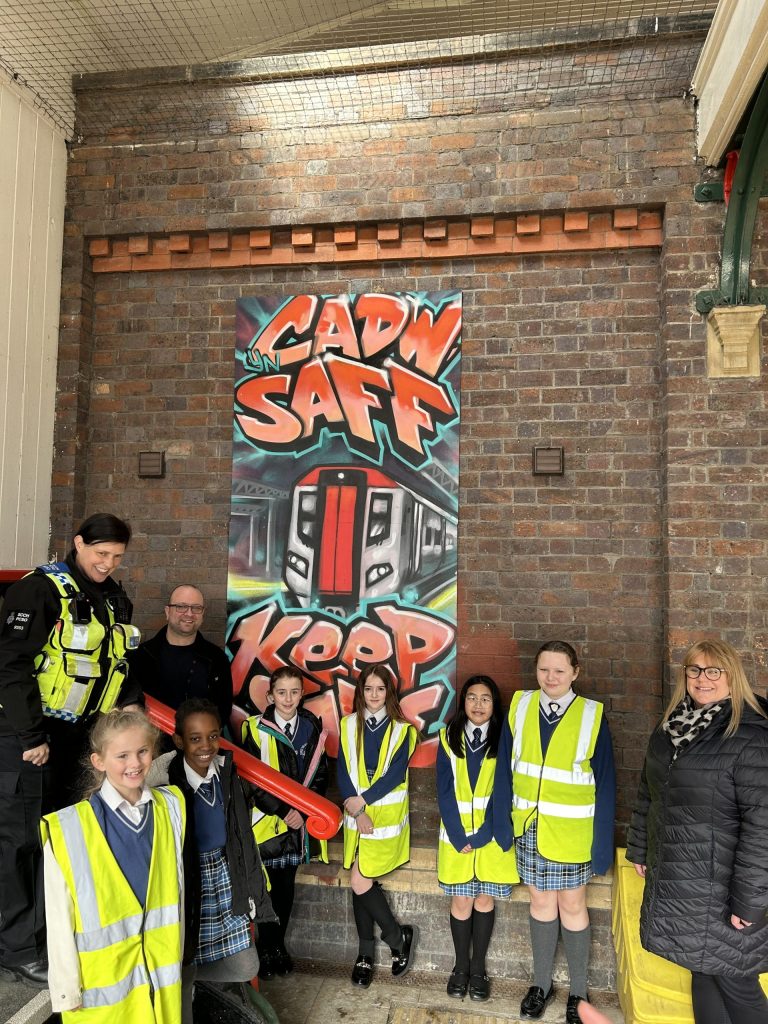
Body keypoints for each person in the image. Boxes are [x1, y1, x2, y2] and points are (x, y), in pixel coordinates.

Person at [0, 512, 138, 986]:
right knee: (18, 844)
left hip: (75, 743)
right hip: (28, 742)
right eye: (101, 553)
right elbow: (11, 667)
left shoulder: (114, 599)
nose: (107, 563)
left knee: (55, 845)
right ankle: (17, 949)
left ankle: (47, 938)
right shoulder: (38, 591)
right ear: (77, 543)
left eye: (117, 556)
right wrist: (30, 737)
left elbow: (118, 670)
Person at [626, 639, 768, 1024]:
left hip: (725, 888)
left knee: (737, 981)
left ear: (731, 676)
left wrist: (750, 901)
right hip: (684, 882)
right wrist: (640, 848)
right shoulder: (671, 727)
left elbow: (762, 829)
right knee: (702, 969)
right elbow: (649, 791)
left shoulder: (750, 736)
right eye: (694, 670)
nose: (702, 679)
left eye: (713, 671)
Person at [495, 640, 615, 1024]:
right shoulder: (521, 705)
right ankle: (541, 984)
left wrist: (601, 847)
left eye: (560, 671)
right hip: (528, 828)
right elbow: (505, 772)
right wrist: (502, 822)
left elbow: (606, 783)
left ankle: (578, 993)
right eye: (544, 670)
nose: (551, 678)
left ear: (575, 672)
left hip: (571, 833)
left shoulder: (593, 715)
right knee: (540, 905)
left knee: (573, 907)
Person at [41, 708, 185, 1021]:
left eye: (143, 751)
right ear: (99, 761)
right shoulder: (67, 828)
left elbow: (177, 893)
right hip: (101, 994)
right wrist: (66, 991)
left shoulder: (172, 807)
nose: (134, 764)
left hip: (160, 985)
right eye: (122, 755)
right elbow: (58, 919)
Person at [147, 698, 275, 1024]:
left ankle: (197, 985)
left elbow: (242, 835)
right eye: (195, 738)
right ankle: (186, 989)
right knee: (184, 967)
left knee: (246, 964)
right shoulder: (163, 779)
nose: (206, 745)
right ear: (178, 740)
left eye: (213, 736)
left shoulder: (227, 771)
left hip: (223, 872)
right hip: (188, 881)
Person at [241, 666, 328, 979]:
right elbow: (250, 778)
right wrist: (282, 810)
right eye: (281, 692)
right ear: (270, 695)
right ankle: (265, 949)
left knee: (285, 890)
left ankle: (279, 947)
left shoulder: (311, 728)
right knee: (264, 891)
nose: (288, 698)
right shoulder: (253, 728)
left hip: (296, 828)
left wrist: (303, 812)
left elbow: (320, 773)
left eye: (294, 692)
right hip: (267, 824)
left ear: (302, 694)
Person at [437, 674, 519, 1001]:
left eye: (486, 698)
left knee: (484, 900)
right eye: (472, 697)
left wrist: (485, 833)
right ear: (463, 702)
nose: (478, 704)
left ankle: (478, 969)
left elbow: (507, 790)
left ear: (494, 704)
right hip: (457, 839)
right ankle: (460, 968)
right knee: (461, 901)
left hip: (491, 838)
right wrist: (458, 835)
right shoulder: (447, 738)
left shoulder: (504, 740)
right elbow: (443, 790)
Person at [337, 663, 419, 988]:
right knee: (360, 880)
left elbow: (395, 775)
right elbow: (343, 772)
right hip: (358, 820)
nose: (374, 695)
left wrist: (363, 803)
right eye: (368, 688)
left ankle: (393, 940)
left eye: (380, 689)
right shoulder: (347, 725)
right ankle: (372, 950)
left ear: (389, 692)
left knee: (359, 880)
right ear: (361, 691)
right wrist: (357, 813)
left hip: (384, 822)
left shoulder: (403, 729)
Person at [126, 584, 233, 732]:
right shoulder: (140, 656)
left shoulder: (217, 659)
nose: (189, 613)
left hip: (196, 749)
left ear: (202, 614)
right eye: (181, 606)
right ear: (167, 611)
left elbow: (223, 711)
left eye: (196, 608)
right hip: (152, 746)